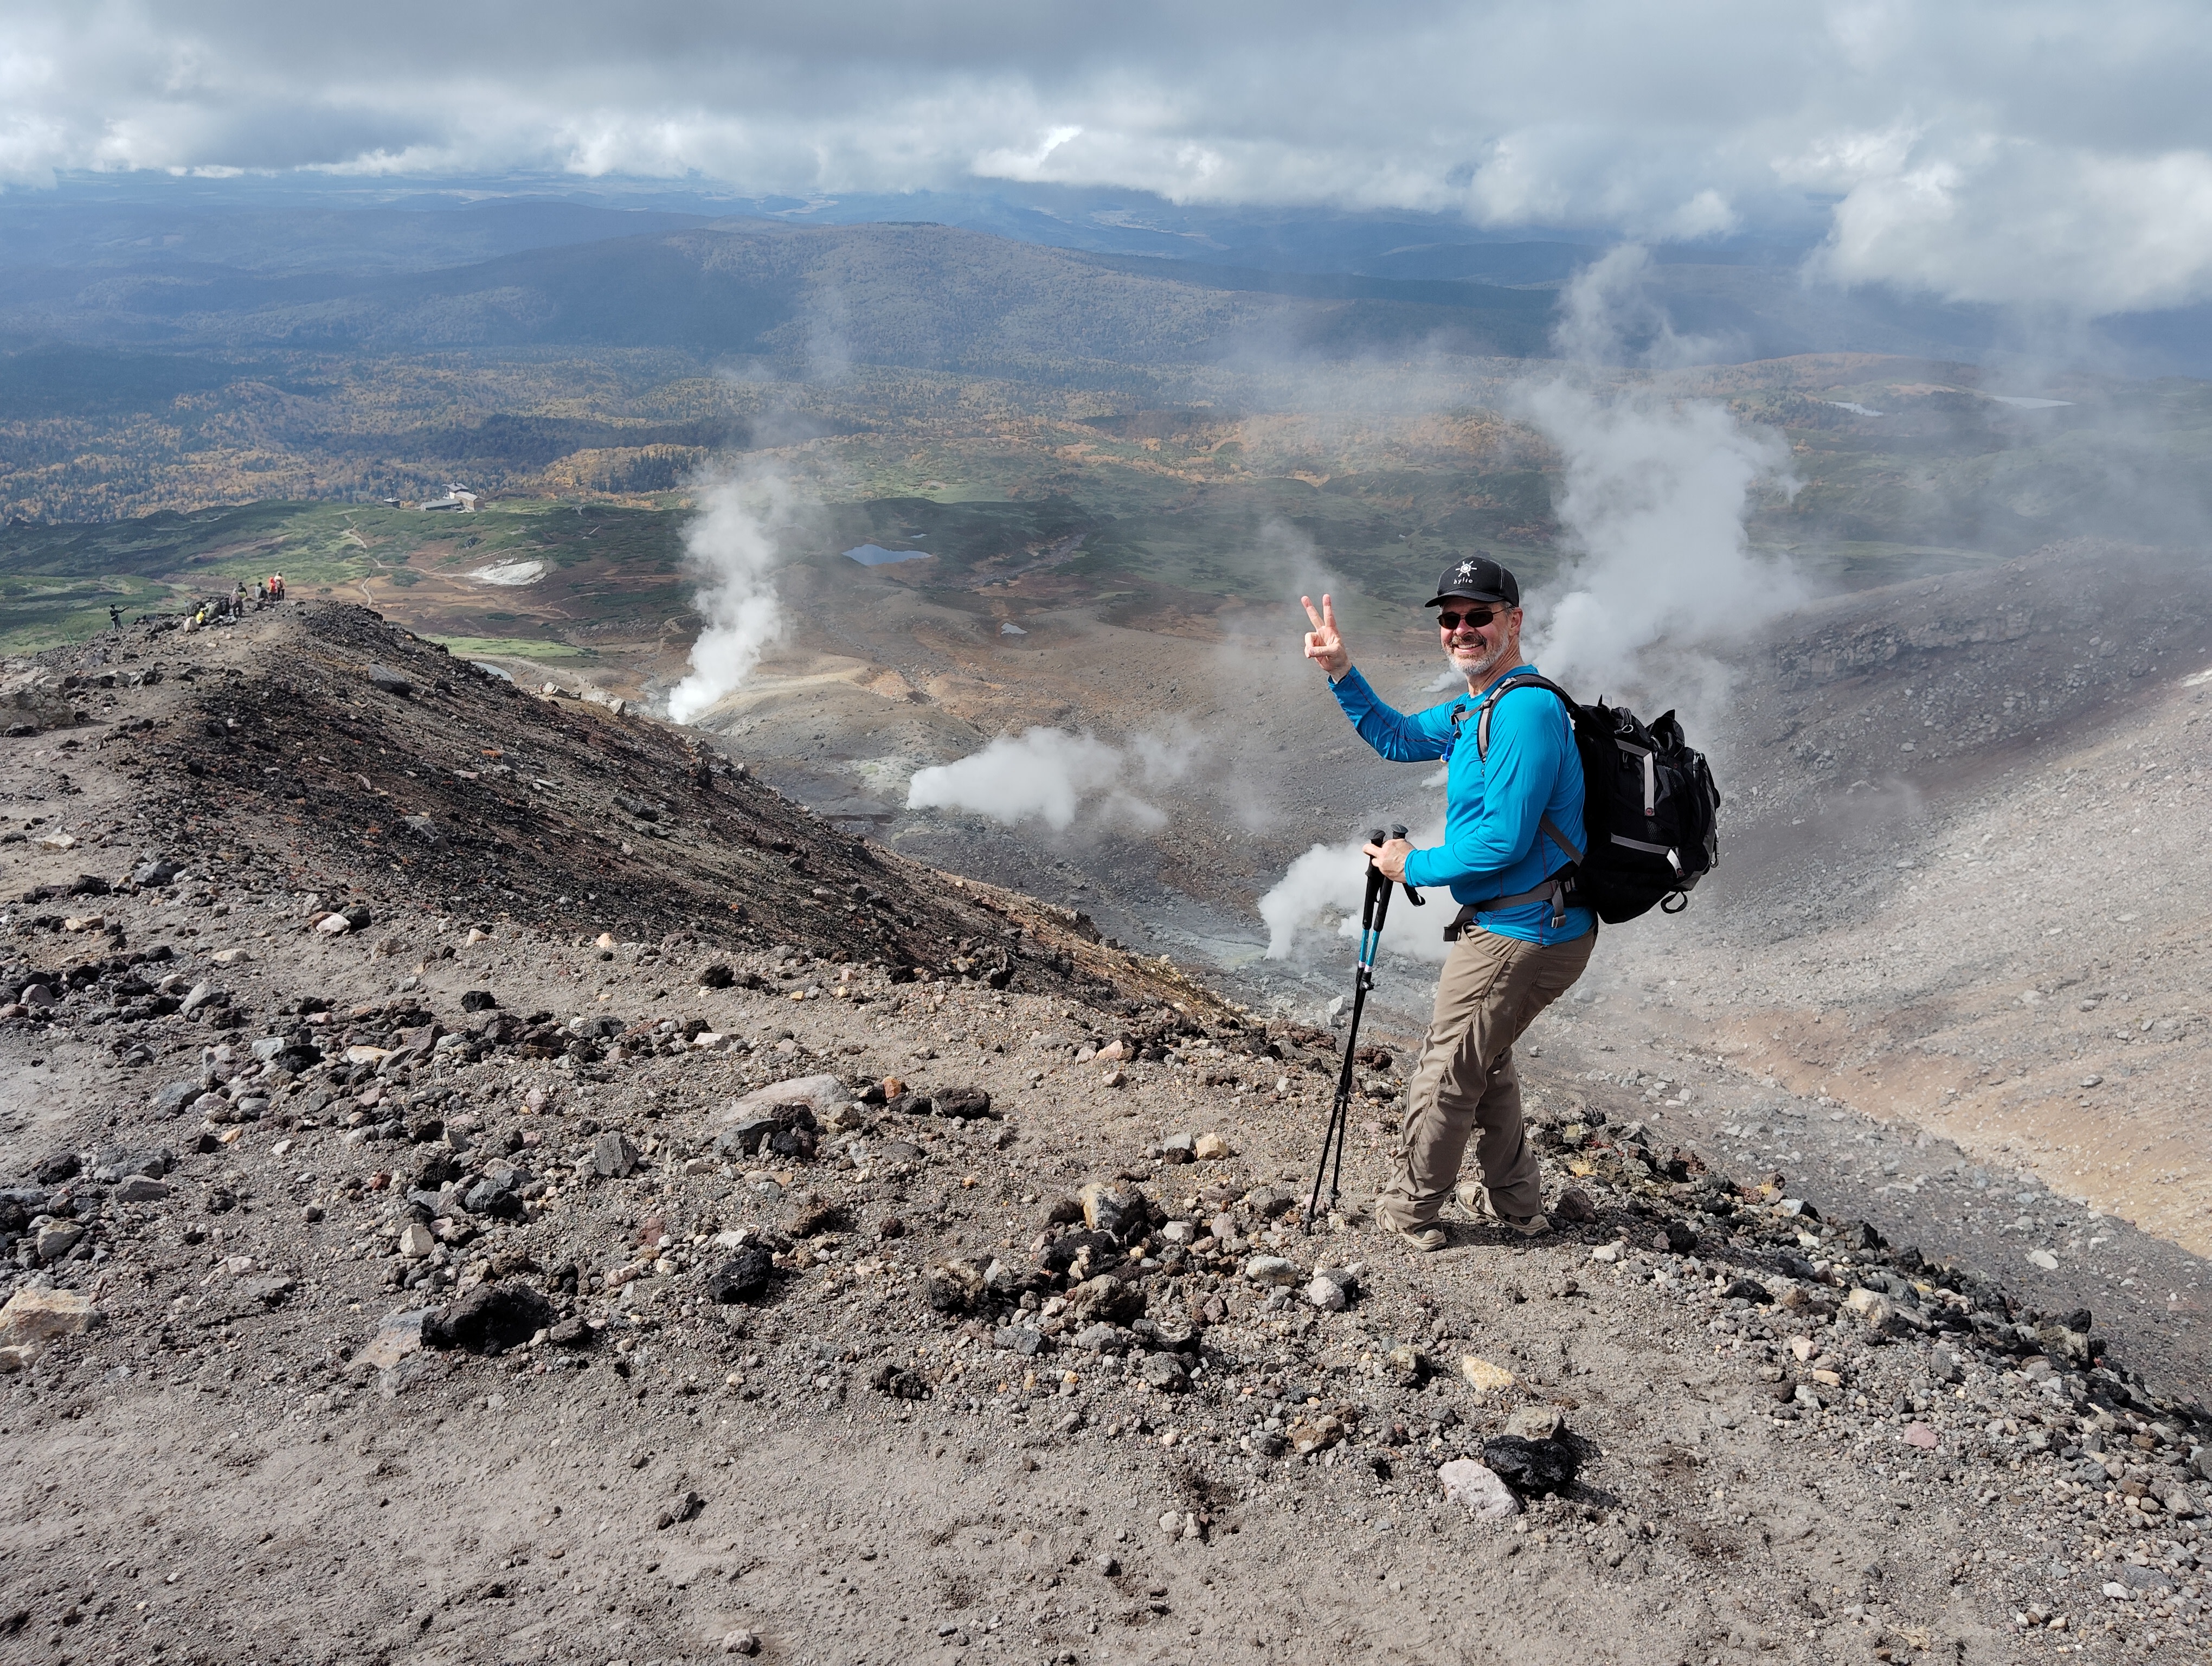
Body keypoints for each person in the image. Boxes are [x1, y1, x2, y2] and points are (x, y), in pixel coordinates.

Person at [1301, 554, 1594, 1251]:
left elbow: (1501, 841)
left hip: (1522, 932)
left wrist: (1413, 866)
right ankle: (1518, 1205)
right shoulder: (1477, 707)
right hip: (1532, 922)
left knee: (1447, 1067)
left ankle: (1412, 1212)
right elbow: (1398, 736)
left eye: (1479, 617)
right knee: (1483, 1057)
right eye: (1451, 618)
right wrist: (1341, 670)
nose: (1462, 629)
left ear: (1513, 621)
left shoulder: (1523, 711)